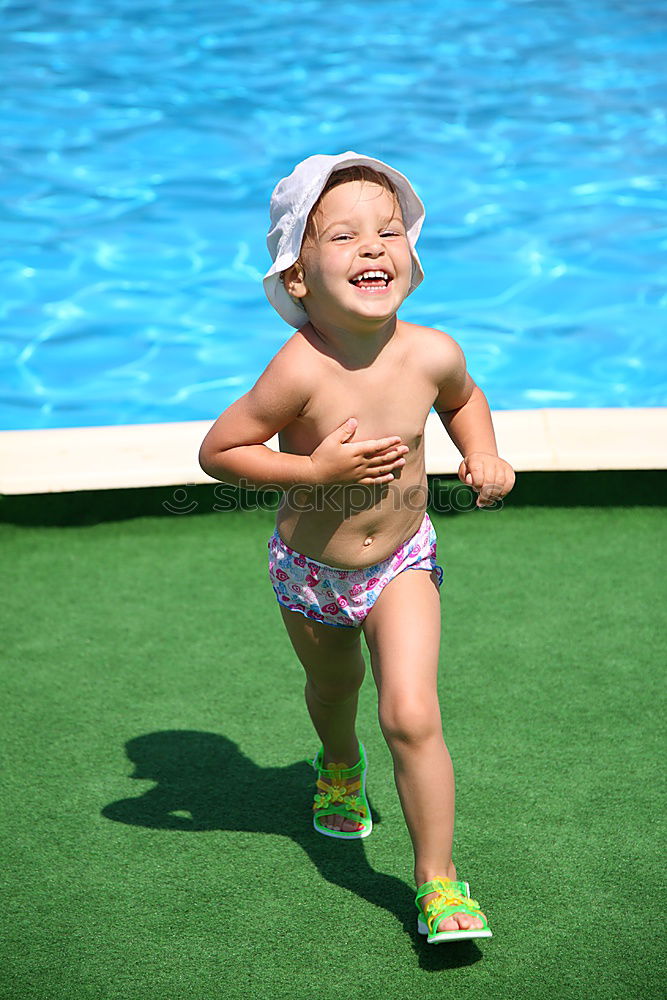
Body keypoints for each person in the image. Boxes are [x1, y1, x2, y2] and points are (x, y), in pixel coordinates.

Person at [198, 152, 515, 944]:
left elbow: (462, 399)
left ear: (410, 257)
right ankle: (338, 762)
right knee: (335, 691)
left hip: (402, 560)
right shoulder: (298, 369)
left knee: (410, 713)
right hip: (312, 574)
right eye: (343, 236)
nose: (373, 246)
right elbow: (220, 450)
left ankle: (437, 882)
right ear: (297, 277)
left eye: (389, 231)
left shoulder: (431, 351)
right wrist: (311, 469)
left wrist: (483, 453)